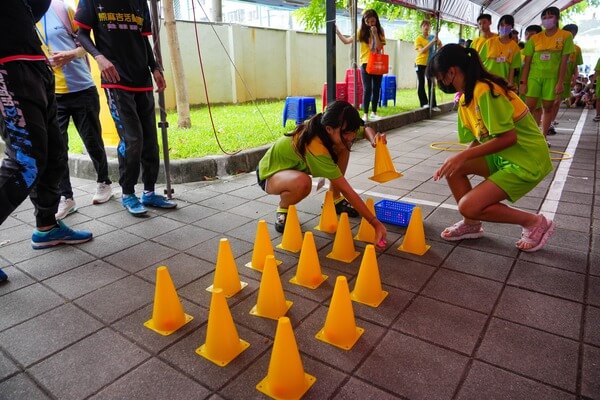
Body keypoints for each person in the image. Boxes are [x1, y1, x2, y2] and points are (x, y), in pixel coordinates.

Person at [428, 44, 554, 252]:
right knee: (454, 169)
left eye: (440, 78)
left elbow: (508, 138)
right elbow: (481, 137)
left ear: (451, 72)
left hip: (526, 159)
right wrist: (460, 159)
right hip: (504, 155)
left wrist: (462, 156)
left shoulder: (484, 90)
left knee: (468, 205)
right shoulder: (466, 98)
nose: (440, 83)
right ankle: (471, 224)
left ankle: (534, 222)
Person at [1, 0, 93, 267]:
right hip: (7, 64)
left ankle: (47, 226)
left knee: (54, 153)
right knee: (25, 162)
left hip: (35, 63)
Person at [74, 0, 176, 216]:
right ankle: (128, 193)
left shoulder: (140, 3)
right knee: (132, 140)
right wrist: (99, 58)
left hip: (142, 79)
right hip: (116, 80)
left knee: (150, 140)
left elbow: (143, 39)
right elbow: (81, 34)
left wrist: (154, 67)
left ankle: (149, 192)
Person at [256, 100, 387, 248]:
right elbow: (347, 189)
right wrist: (374, 223)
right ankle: (283, 208)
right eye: (347, 133)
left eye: (353, 131)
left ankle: (334, 199)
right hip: (270, 174)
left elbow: (365, 129)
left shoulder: (341, 128)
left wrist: (374, 139)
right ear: (329, 129)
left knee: (344, 146)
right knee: (303, 183)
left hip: (293, 169)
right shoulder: (316, 146)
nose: (351, 136)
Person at [37, 0, 113, 220]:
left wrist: (70, 54)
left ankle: (104, 182)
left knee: (92, 141)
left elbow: (85, 44)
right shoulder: (23, 18)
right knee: (57, 149)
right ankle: (66, 197)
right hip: (52, 94)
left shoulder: (62, 9)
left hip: (82, 89)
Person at [519, 7, 574, 143]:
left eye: (550, 16)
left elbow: (564, 62)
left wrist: (560, 82)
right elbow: (527, 62)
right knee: (529, 107)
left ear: (557, 18)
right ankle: (527, 136)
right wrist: (523, 82)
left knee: (548, 108)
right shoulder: (535, 38)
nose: (547, 19)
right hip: (534, 77)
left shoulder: (566, 36)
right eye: (544, 17)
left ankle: (543, 137)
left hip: (552, 78)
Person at [336, 9, 385, 121]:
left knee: (376, 88)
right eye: (367, 22)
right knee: (367, 88)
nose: (370, 24)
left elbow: (379, 47)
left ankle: (374, 112)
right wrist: (338, 32)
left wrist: (375, 33)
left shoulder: (380, 31)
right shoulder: (361, 31)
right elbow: (347, 41)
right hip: (365, 63)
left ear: (376, 19)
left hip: (377, 63)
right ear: (364, 21)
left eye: (372, 21)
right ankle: (365, 114)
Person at [546, 23, 583, 135]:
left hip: (566, 80)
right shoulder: (557, 45)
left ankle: (551, 121)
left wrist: (575, 77)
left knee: (557, 102)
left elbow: (575, 65)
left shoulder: (576, 49)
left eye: (573, 34)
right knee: (552, 101)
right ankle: (547, 123)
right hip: (553, 78)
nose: (571, 36)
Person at [478, 15, 521, 85]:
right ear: (498, 26)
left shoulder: (515, 47)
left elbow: (512, 70)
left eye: (508, 25)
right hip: (486, 81)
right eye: (502, 24)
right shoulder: (489, 42)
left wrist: (510, 84)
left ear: (512, 27)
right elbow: (479, 61)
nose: (504, 27)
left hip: (502, 83)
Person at [414, 20, 442, 111]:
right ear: (421, 27)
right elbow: (422, 50)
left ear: (430, 27)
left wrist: (437, 44)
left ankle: (433, 104)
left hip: (431, 64)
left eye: (428, 25)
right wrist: (432, 42)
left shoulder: (433, 37)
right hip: (420, 63)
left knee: (431, 83)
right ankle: (423, 103)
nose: (426, 27)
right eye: (424, 25)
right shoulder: (419, 38)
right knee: (421, 83)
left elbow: (440, 45)